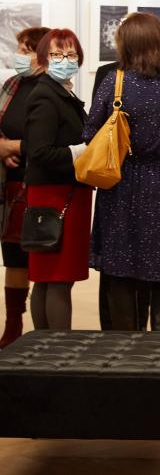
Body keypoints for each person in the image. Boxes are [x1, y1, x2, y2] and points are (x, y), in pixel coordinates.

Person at [86, 13, 160, 331]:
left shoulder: (116, 82)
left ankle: (125, 343)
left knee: (120, 266)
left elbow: (91, 133)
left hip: (121, 181)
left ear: (126, 44)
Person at [24, 28, 94, 330]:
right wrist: (80, 152)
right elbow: (39, 152)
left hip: (63, 194)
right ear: (44, 58)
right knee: (57, 278)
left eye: (71, 54)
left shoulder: (62, 92)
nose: (65, 60)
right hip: (55, 196)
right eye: (56, 54)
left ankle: (44, 345)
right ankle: (57, 348)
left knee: (48, 277)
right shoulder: (45, 96)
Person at [0, 26, 50, 347]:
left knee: (41, 259)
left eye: (25, 50)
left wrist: (13, 147)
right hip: (10, 185)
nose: (19, 55)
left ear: (41, 55)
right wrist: (1, 147)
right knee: (13, 258)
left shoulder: (53, 88)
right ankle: (13, 326)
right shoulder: (11, 85)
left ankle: (44, 330)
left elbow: (54, 138)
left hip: (41, 184)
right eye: (19, 48)